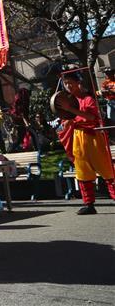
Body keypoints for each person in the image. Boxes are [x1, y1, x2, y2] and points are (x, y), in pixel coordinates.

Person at [59, 70, 115, 215]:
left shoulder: (88, 99)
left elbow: (91, 117)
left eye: (70, 83)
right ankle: (89, 204)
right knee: (83, 172)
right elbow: (68, 117)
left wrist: (70, 110)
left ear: (78, 83)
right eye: (66, 84)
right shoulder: (69, 100)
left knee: (106, 170)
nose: (68, 86)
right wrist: (67, 121)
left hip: (93, 137)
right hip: (78, 137)